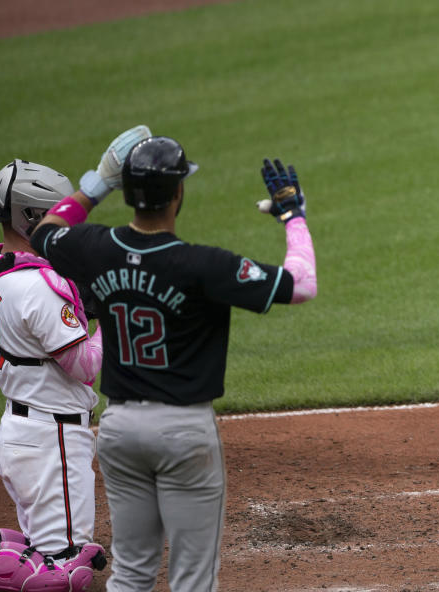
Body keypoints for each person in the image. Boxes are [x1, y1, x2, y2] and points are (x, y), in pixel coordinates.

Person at [28, 132, 318, 591]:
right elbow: (301, 284)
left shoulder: (94, 248)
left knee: (131, 574)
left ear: (129, 194)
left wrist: (96, 185)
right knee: (192, 580)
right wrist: (293, 216)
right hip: (183, 434)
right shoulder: (203, 265)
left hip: (119, 430)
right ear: (178, 193)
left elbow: (42, 232)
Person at [0, 159, 107, 592]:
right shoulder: (38, 286)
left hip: (24, 432)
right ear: (31, 217)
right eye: (55, 214)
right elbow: (86, 366)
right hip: (52, 441)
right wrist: (115, 315)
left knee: (48, 550)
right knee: (64, 576)